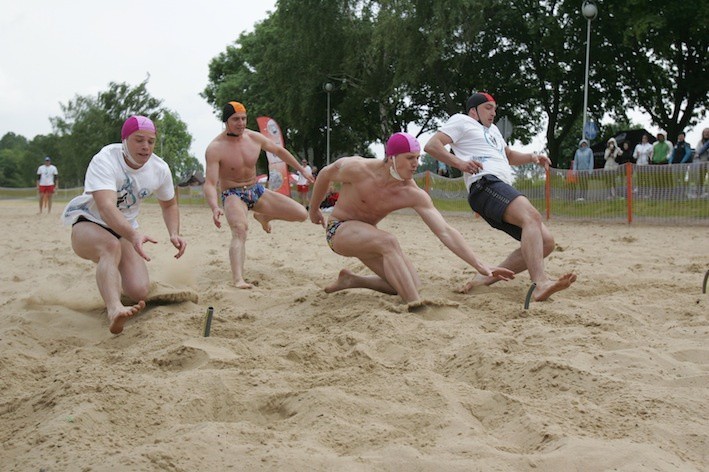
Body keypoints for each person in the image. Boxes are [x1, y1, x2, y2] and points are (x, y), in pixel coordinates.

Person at [308, 132, 513, 307]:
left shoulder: (412, 193)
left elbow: (445, 231)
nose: (416, 164)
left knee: (407, 283)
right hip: (339, 231)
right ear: (391, 158)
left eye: (417, 157)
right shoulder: (357, 168)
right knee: (389, 242)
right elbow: (325, 174)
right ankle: (416, 307)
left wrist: (480, 265)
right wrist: (314, 209)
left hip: (367, 237)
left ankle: (352, 280)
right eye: (409, 158)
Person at [424, 92, 576, 302]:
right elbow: (432, 145)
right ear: (473, 111)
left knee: (546, 242)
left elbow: (509, 156)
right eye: (488, 107)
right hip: (484, 184)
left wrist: (533, 157)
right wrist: (460, 163)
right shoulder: (462, 121)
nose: (493, 112)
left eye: (495, 108)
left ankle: (484, 279)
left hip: (499, 188)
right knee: (531, 215)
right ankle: (540, 283)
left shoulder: (493, 131)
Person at [61, 116, 187, 334]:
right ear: (125, 140)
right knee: (110, 247)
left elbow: (169, 204)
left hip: (124, 230)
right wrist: (134, 234)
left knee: (139, 290)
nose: (145, 147)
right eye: (139, 140)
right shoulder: (105, 160)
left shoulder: (160, 168)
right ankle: (114, 309)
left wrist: (174, 233)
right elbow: (106, 208)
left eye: (151, 141)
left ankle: (113, 280)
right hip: (88, 223)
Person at [204, 101, 314, 289]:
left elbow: (279, 151)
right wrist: (214, 207)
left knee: (301, 214)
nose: (241, 123)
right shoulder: (215, 147)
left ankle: (263, 216)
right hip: (233, 194)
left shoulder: (254, 138)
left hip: (256, 190)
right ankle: (238, 279)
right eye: (235, 119)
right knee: (240, 230)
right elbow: (210, 183)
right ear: (226, 121)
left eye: (243, 118)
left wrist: (302, 171)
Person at [693, 127, 709, 198]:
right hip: (702, 162)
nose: (706, 134)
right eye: (705, 132)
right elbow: (698, 150)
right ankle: (698, 193)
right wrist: (698, 154)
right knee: (701, 177)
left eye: (708, 132)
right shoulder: (700, 142)